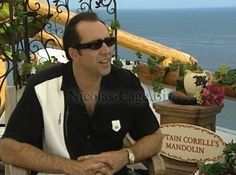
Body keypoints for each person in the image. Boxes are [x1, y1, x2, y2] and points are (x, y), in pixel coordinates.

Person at [0, 12, 163, 175]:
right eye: (95, 45)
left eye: (109, 41)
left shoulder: (126, 84)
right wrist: (71, 167)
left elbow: (155, 138)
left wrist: (126, 155)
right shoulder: (43, 87)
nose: (107, 51)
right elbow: (8, 148)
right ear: (74, 54)